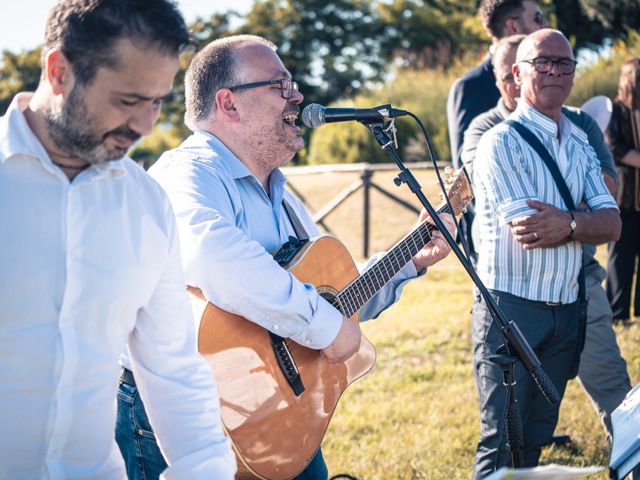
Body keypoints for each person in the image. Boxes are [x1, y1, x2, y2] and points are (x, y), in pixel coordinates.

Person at [112, 34, 455, 480]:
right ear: (228, 103)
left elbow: (330, 295)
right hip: (173, 411)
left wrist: (411, 258)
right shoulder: (188, 172)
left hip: (276, 410)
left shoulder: (281, 194)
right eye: (280, 85)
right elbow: (210, 252)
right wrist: (322, 324)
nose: (298, 96)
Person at [0, 1, 236, 478]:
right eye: (128, 101)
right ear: (59, 72)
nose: (146, 126)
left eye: (157, 103)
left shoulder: (148, 206)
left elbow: (173, 370)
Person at [461, 35, 630, 441]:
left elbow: (612, 211)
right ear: (516, 74)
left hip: (575, 292)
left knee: (555, 417)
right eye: (541, 63)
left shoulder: (578, 133)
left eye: (563, 63)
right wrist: (585, 214)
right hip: (514, 304)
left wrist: (569, 222)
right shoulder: (494, 134)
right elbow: (529, 227)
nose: (553, 70)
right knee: (504, 437)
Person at [446, 0, 548, 261]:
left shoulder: (548, 77)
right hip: (495, 242)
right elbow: (466, 174)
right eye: (538, 17)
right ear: (513, 26)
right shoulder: (471, 86)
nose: (545, 24)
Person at [605, 58, 640, 324]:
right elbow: (613, 146)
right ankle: (618, 314)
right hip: (623, 198)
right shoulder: (614, 110)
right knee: (620, 258)